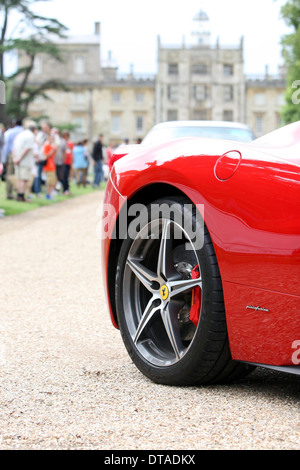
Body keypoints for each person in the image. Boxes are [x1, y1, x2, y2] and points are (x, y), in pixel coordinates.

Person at [12, 121, 37, 202]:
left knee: (20, 179)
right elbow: (27, 148)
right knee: (24, 179)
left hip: (18, 160)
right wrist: (19, 158)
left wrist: (15, 158)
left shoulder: (20, 135)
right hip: (24, 161)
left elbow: (14, 148)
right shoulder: (30, 136)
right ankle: (21, 196)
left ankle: (19, 195)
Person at [2, 119, 24, 199]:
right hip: (23, 156)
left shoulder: (10, 132)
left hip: (12, 155)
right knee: (19, 175)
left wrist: (4, 159)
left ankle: (9, 193)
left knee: (9, 175)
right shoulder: (24, 132)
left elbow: (6, 146)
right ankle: (20, 193)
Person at [42, 134, 57, 199]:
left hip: (52, 166)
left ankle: (50, 194)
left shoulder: (51, 146)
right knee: (49, 181)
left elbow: (54, 155)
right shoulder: (46, 146)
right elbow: (46, 156)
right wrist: (53, 150)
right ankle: (47, 194)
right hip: (48, 166)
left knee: (52, 181)